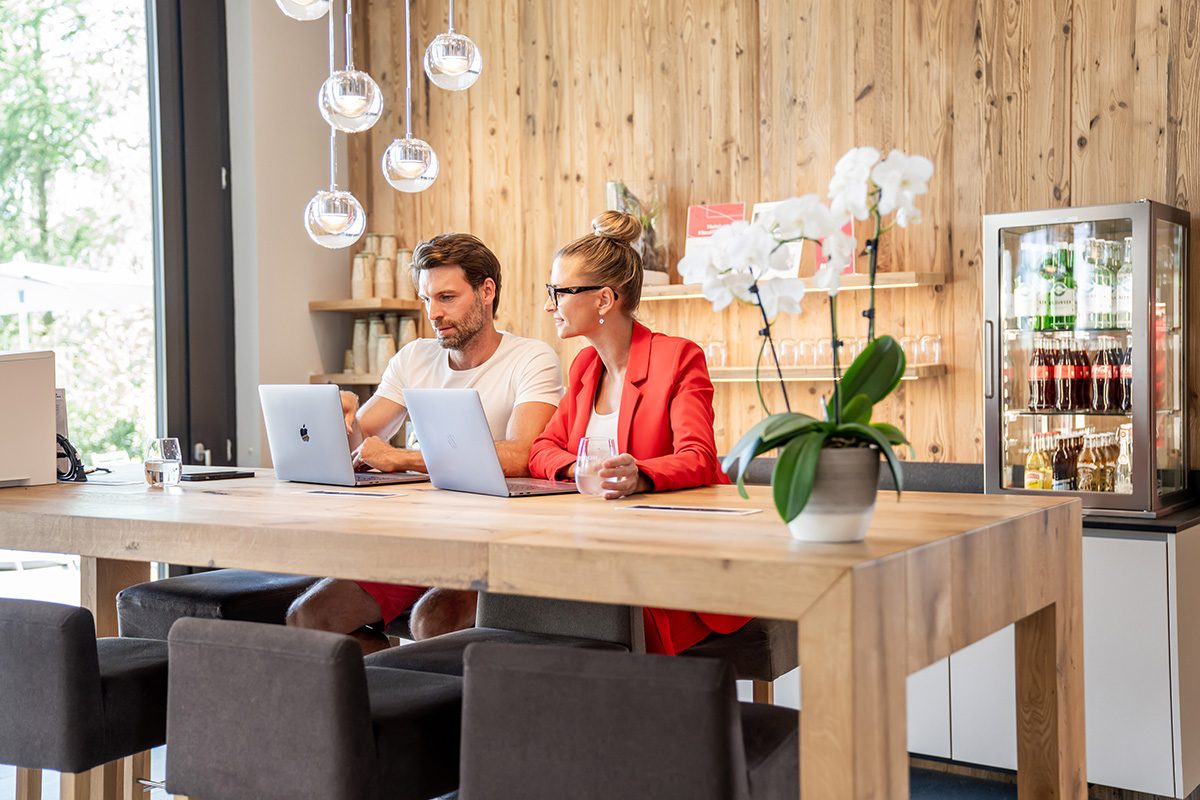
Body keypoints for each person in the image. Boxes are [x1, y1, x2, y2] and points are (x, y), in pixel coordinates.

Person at [287, 233, 563, 653]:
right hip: (415, 537)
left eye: (447, 297)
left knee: (431, 622)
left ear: (486, 291)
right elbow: (362, 433)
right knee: (309, 618)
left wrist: (403, 459)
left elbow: (525, 455)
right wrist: (338, 419)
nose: (433, 313)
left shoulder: (531, 358)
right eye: (426, 299)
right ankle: (386, 713)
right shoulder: (415, 357)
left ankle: (432, 710)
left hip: (489, 545)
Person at [528, 211, 750, 655]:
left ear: (604, 299)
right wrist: (579, 467)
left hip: (676, 563)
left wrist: (639, 474)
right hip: (598, 548)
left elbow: (700, 457)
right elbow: (542, 449)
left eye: (559, 292)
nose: (550, 304)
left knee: (594, 611)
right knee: (523, 598)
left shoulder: (679, 358)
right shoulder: (585, 367)